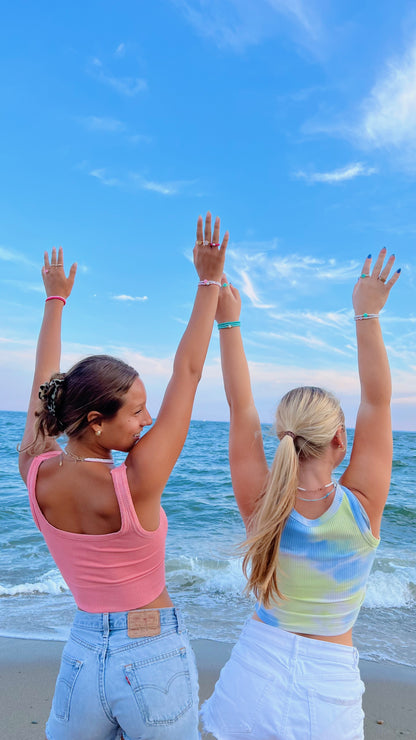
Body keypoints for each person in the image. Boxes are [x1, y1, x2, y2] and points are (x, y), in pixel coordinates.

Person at [18, 212, 228, 740]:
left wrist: (54, 301)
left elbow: (44, 387)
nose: (148, 421)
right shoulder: (134, 483)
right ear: (95, 421)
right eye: (136, 412)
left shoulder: (34, 468)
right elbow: (190, 372)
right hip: (152, 653)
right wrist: (208, 283)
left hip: (83, 654)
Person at [201, 248, 400, 740]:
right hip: (328, 690)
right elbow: (378, 399)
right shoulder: (361, 507)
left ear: (281, 437)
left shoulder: (263, 504)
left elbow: (239, 404)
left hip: (254, 673)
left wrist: (228, 324)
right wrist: (367, 315)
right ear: (340, 440)